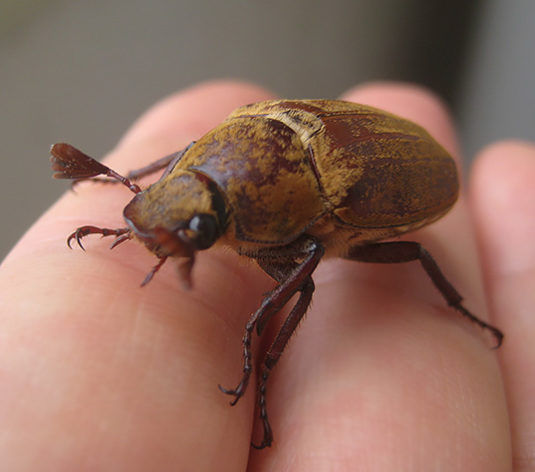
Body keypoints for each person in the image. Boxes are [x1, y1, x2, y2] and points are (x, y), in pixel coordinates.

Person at [0, 81, 532, 470]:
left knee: (386, 257)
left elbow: (305, 273)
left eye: (195, 230)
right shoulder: (236, 132)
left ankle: (455, 306)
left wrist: (258, 343)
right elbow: (190, 158)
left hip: (410, 179)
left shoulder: (319, 206)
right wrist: (144, 188)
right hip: (294, 135)